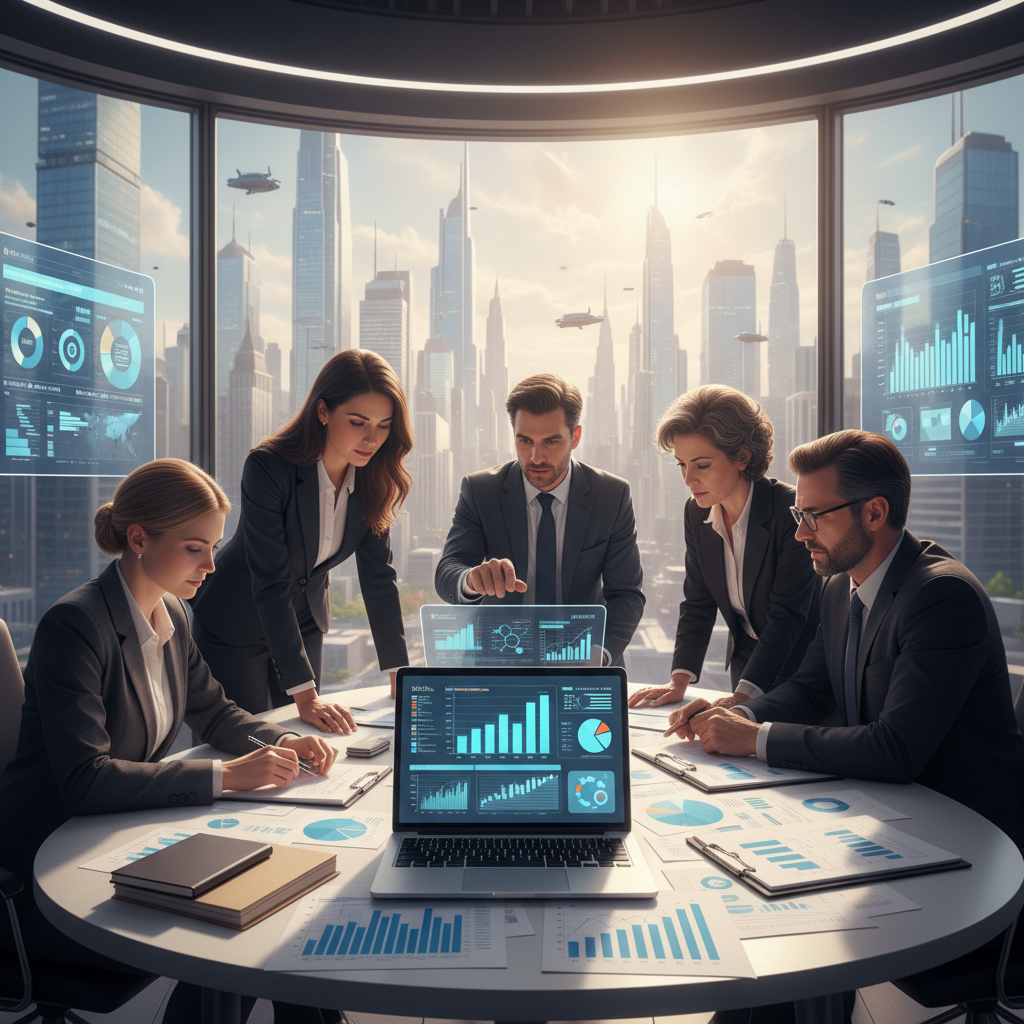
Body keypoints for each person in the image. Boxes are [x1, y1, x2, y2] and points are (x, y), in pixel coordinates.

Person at [0, 459, 339, 1023]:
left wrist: (279, 740)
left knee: (280, 916)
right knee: (237, 932)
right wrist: (228, 776)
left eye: (213, 546)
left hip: (111, 841)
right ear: (138, 539)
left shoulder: (174, 614)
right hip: (40, 877)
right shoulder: (74, 626)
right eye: (194, 548)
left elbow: (215, 712)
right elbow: (85, 780)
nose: (211, 565)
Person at [667, 428, 1024, 851]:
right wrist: (742, 714)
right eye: (799, 517)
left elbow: (896, 748)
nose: (801, 534)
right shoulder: (840, 587)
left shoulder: (941, 597)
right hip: (890, 813)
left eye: (813, 517)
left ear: (874, 513)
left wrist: (755, 738)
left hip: (969, 832)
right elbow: (812, 688)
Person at [191, 349, 412, 728]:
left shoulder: (374, 479)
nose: (371, 439)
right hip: (236, 619)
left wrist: (401, 680)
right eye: (357, 422)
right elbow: (271, 581)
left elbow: (379, 580)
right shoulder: (267, 467)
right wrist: (306, 698)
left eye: (383, 425)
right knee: (243, 743)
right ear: (323, 411)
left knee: (308, 741)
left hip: (305, 618)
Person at [628, 385, 819, 712]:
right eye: (681, 465)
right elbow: (698, 600)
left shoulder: (789, 511)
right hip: (746, 664)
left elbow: (786, 617)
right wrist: (679, 681)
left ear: (743, 457)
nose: (689, 479)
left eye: (701, 465)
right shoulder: (696, 511)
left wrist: (740, 699)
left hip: (801, 671)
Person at [434, 373, 644, 665]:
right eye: (525, 440)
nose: (536, 457)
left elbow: (627, 595)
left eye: (551, 441)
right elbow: (447, 571)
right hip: (498, 661)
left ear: (576, 437)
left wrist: (600, 653)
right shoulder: (481, 490)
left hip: (584, 662)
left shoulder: (611, 495)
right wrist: (471, 579)